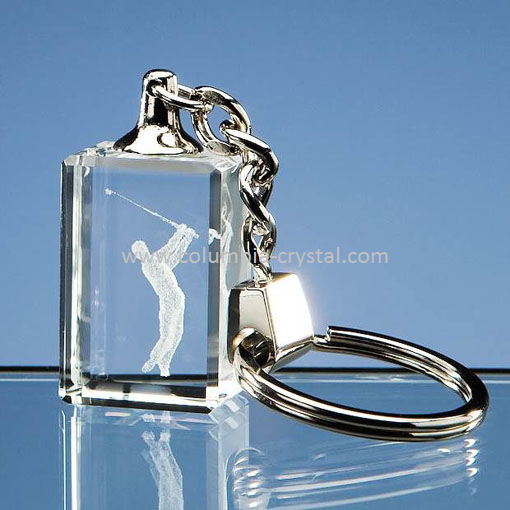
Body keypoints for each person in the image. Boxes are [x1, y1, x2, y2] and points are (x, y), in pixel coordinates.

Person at [131, 223, 197, 377]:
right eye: (139, 251)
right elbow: (170, 247)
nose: (143, 251)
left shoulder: (158, 262)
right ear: (138, 255)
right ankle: (153, 360)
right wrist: (180, 231)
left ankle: (164, 364)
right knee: (167, 335)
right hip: (168, 300)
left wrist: (187, 238)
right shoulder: (150, 263)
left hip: (178, 297)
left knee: (178, 333)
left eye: (143, 248)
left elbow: (176, 257)